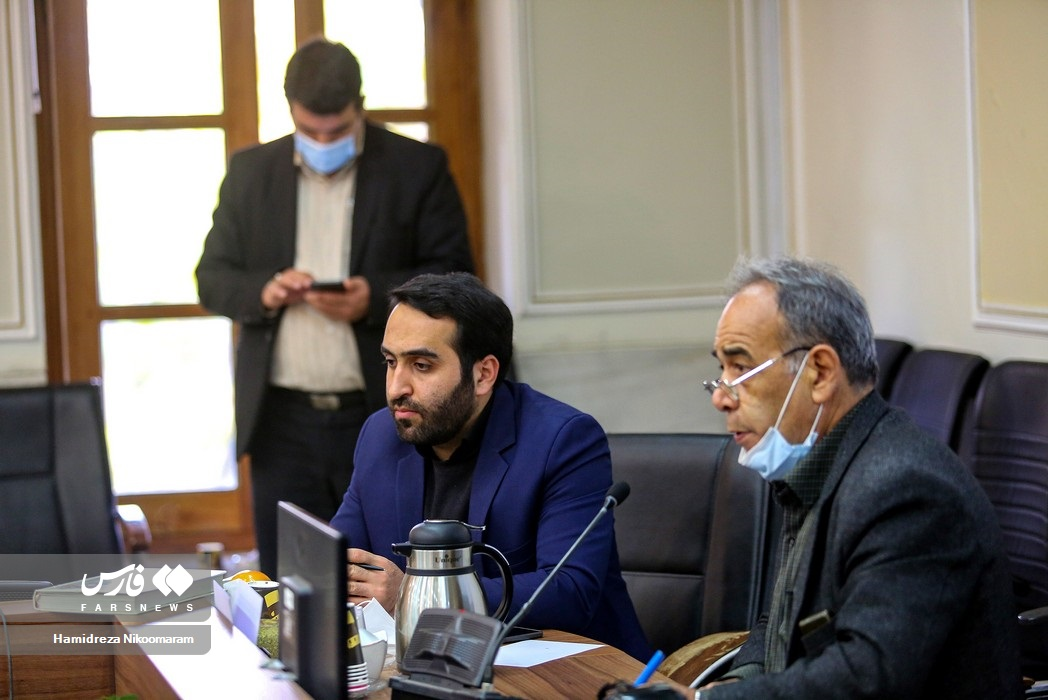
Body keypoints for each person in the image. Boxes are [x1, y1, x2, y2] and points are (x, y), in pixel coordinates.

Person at [670, 257, 1021, 698]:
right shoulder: (815, 464)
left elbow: (866, 677)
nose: (721, 397)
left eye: (740, 369)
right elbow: (781, 619)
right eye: (721, 371)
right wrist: (737, 682)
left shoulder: (905, 489)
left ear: (819, 372)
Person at [195, 38, 474, 576]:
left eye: (338, 131)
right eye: (311, 131)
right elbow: (212, 279)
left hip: (384, 414)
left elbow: (457, 273)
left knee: (383, 574)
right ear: (291, 111)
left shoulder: (416, 167)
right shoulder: (252, 172)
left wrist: (376, 299)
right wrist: (266, 291)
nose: (324, 142)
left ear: (360, 107)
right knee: (290, 584)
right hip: (281, 421)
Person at [328, 272, 651, 661]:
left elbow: (571, 590)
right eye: (391, 362)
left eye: (422, 365)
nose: (397, 387)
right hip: (430, 664)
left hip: (569, 671)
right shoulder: (380, 435)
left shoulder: (562, 440)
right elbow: (336, 559)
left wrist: (417, 597)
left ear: (483, 374)